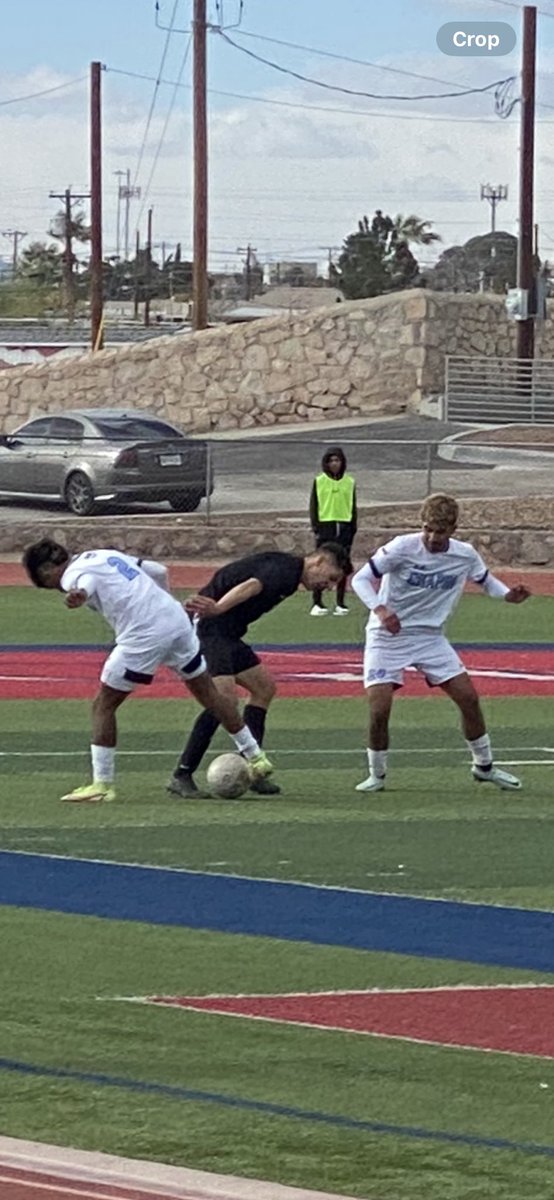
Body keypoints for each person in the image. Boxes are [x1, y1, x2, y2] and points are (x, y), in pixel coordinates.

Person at [22, 539, 273, 803]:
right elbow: (158, 569)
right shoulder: (102, 555)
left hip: (144, 633)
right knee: (209, 694)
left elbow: (85, 583)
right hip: (176, 621)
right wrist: (163, 602)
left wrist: (80, 594)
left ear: (49, 569)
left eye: (44, 581)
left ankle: (102, 784)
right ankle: (256, 758)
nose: (50, 586)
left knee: (103, 705)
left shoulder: (72, 574)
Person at [350, 493, 531, 793]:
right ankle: (377, 775)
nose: (433, 537)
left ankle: (484, 767)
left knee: (468, 698)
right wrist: (380, 610)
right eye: (428, 529)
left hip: (430, 638)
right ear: (421, 524)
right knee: (379, 708)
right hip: (387, 636)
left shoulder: (464, 554)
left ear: (453, 530)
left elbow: (485, 580)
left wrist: (508, 594)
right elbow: (360, 579)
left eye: (440, 531)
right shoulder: (401, 547)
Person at [169, 543, 352, 799]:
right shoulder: (285, 571)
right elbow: (252, 585)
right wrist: (218, 607)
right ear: (318, 562)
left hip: (227, 634)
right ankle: (182, 774)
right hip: (210, 629)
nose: (330, 586)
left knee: (264, 688)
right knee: (224, 702)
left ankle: (253, 771)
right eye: (331, 578)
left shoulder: (288, 569)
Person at [309, 447, 357, 616]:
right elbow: (314, 506)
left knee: (342, 565)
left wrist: (352, 528)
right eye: (331, 461)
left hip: (344, 527)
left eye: (338, 460)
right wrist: (316, 527)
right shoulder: (319, 481)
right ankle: (317, 602)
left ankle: (340, 602)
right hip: (325, 527)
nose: (335, 464)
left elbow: (353, 506)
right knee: (321, 565)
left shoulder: (349, 482)